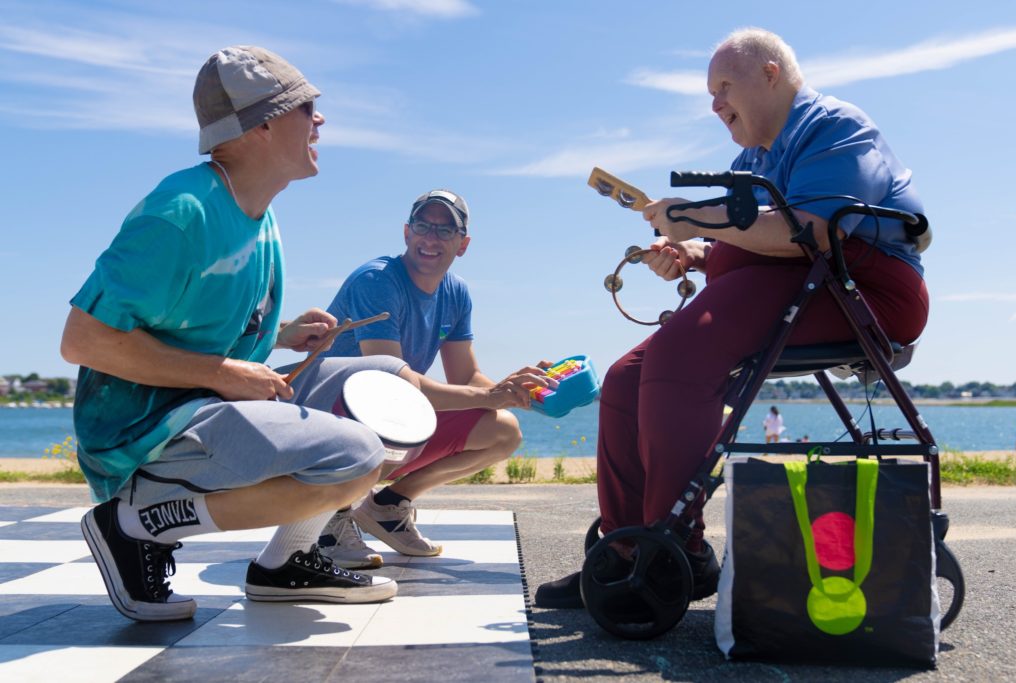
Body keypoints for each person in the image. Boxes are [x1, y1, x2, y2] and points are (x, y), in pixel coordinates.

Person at [60, 46, 543, 623]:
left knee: (387, 382)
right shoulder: (181, 211)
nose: (320, 120)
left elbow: (198, 332)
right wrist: (221, 374)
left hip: (201, 401)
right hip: (146, 427)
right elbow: (83, 342)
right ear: (261, 125)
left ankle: (283, 565)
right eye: (305, 108)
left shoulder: (258, 212)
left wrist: (283, 336)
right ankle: (132, 524)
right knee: (358, 455)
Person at [535, 27, 930, 609]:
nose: (714, 104)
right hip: (794, 279)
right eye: (710, 92)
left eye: (724, 87)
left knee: (676, 359)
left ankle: (670, 545)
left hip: (864, 289)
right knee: (624, 378)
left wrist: (695, 221)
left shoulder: (837, 127)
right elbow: (749, 240)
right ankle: (627, 551)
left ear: (771, 74)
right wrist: (691, 252)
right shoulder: (753, 159)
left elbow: (814, 231)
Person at [315, 189, 549, 567]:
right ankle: (328, 512)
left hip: (381, 411)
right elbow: (392, 383)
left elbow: (466, 374)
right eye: (423, 226)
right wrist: (489, 395)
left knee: (503, 429)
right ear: (407, 233)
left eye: (445, 230)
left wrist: (513, 391)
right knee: (388, 420)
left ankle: (388, 507)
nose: (431, 238)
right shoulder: (376, 281)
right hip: (327, 417)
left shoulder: (455, 293)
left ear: (463, 244)